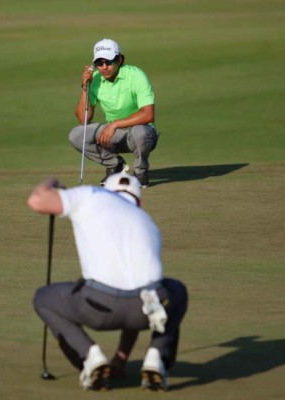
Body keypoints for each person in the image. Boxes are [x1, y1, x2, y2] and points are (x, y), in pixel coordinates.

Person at [27, 172, 188, 391]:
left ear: (107, 190)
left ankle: (90, 358)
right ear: (139, 200)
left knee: (44, 298)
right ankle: (155, 358)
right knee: (176, 291)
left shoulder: (90, 194)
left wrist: (51, 182)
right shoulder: (147, 221)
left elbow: (36, 201)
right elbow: (138, 288)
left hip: (99, 308)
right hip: (146, 310)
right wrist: (120, 359)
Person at [69, 38, 160, 188]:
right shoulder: (95, 80)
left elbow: (148, 114)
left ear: (119, 59)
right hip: (115, 134)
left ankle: (140, 173)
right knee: (77, 134)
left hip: (142, 132)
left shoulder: (136, 76)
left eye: (109, 62)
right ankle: (115, 165)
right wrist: (85, 87)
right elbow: (83, 119)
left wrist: (114, 125)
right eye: (99, 63)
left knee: (140, 132)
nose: (104, 67)